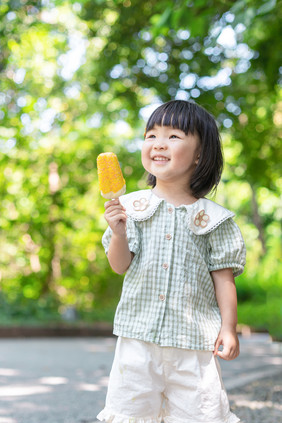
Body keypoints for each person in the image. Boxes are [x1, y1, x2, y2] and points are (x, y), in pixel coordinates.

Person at [97, 100, 246, 423]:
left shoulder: (215, 219)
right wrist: (119, 233)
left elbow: (224, 279)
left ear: (200, 155)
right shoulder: (130, 207)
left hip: (193, 346)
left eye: (174, 136)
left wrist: (229, 328)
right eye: (151, 135)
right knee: (131, 414)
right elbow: (120, 265)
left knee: (199, 414)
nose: (158, 143)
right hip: (138, 340)